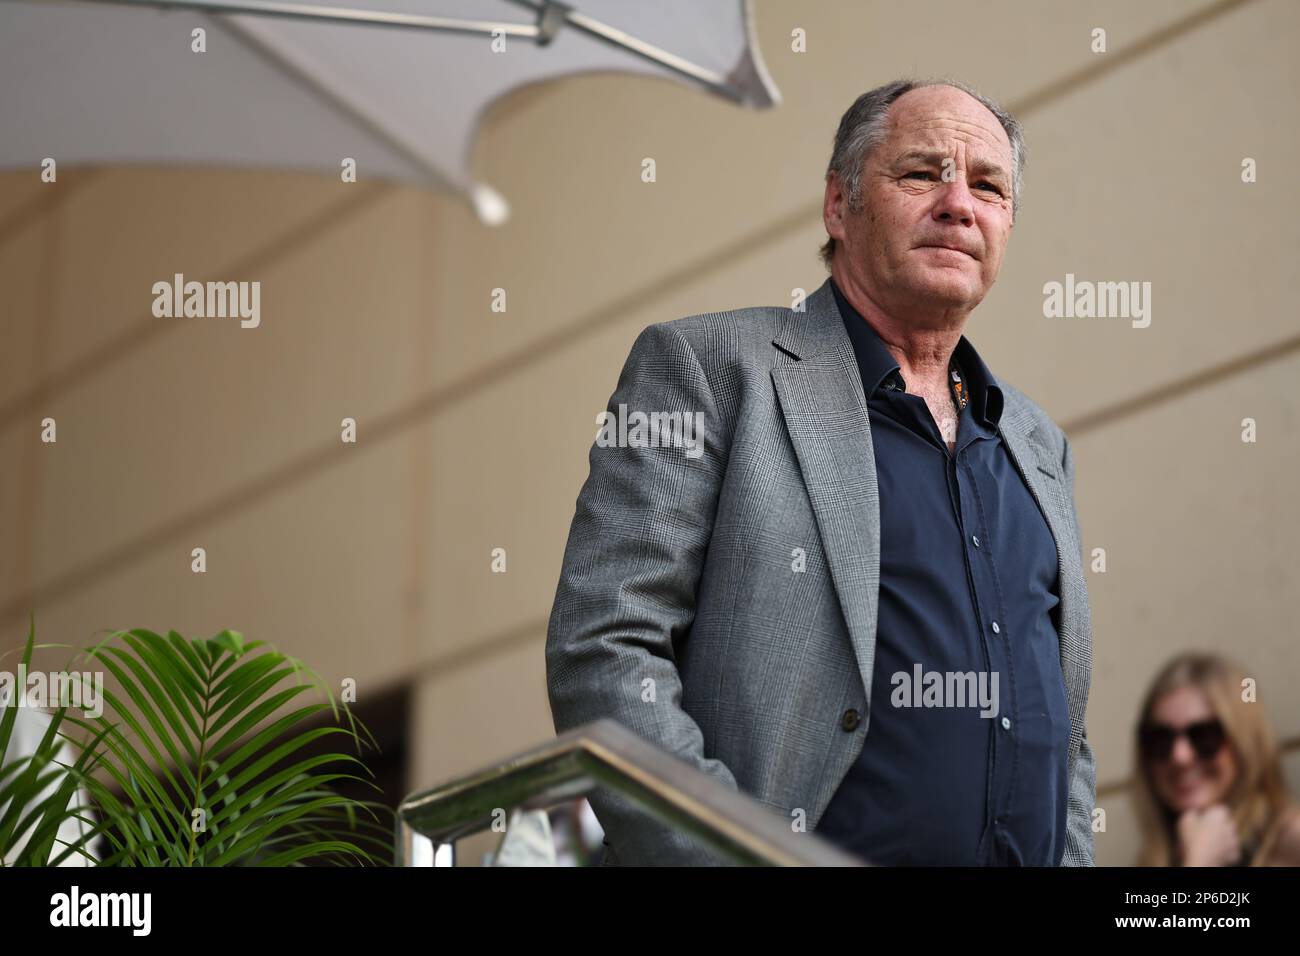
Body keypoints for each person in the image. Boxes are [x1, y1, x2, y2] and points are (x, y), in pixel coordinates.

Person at [545, 77, 1096, 865]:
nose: (958, 205)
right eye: (921, 173)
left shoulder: (1037, 444)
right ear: (839, 204)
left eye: (988, 187)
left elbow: (1067, 735)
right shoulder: (709, 369)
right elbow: (606, 650)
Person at [1133, 652, 1300, 866]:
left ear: (1244, 742)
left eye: (1204, 736)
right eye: (1161, 739)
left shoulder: (1290, 840)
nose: (1180, 756)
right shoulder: (1156, 857)